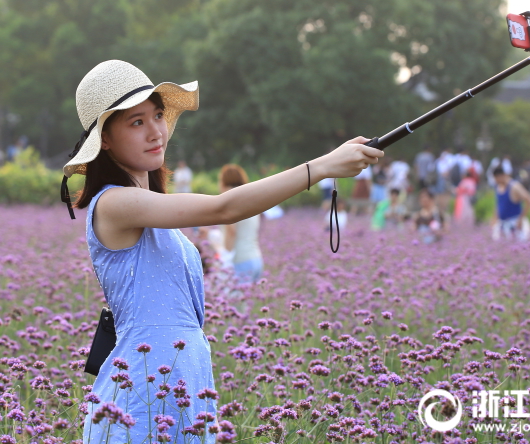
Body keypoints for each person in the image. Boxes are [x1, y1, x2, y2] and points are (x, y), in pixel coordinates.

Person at [59, 60, 382, 444]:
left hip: (183, 383)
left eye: (157, 115)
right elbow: (223, 208)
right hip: (140, 395)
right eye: (136, 122)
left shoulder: (154, 212)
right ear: (105, 140)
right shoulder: (114, 204)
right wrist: (323, 166)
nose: (156, 131)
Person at [216, 164, 263, 284]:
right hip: (255, 258)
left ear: (224, 182)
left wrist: (224, 258)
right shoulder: (249, 199)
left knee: (235, 302)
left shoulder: (230, 200)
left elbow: (232, 232)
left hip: (240, 262)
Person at [492, 166, 530, 241]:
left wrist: (521, 219)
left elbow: (529, 200)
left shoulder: (514, 186)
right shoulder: (499, 187)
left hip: (515, 223)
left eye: (496, 179)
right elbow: (499, 204)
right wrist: (494, 218)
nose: (496, 181)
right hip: (503, 224)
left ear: (501, 176)